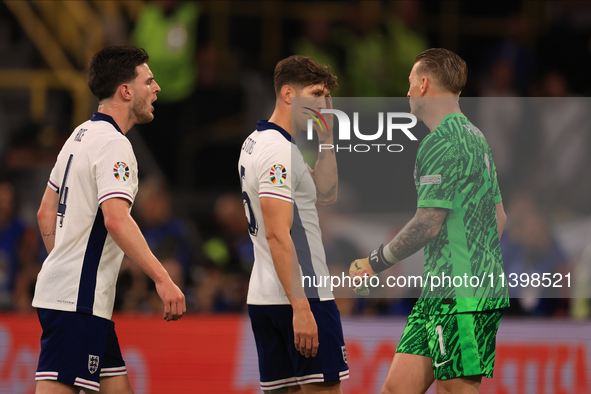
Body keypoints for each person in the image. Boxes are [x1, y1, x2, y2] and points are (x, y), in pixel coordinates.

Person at [349, 48, 509, 394]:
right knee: (396, 389)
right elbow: (499, 217)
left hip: (459, 294)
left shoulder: (439, 142)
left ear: (423, 84)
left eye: (409, 83)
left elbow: (428, 223)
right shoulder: (477, 138)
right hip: (444, 291)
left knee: (456, 390)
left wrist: (375, 262)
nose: (406, 92)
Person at [33, 45, 186, 394]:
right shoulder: (114, 145)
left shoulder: (79, 135)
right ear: (126, 90)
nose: (157, 88)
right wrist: (162, 279)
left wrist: (63, 264)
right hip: (78, 303)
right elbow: (116, 220)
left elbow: (45, 212)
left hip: (79, 299)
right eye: (149, 80)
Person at [238, 55, 349, 393]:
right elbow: (276, 234)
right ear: (288, 94)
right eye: (316, 94)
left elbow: (324, 194)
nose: (324, 103)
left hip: (266, 297)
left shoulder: (262, 142)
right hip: (302, 298)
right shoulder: (277, 152)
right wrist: (301, 308)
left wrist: (326, 139)